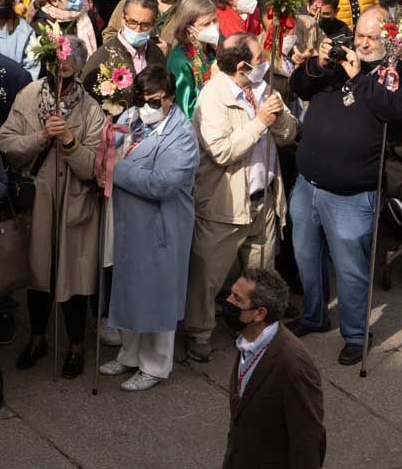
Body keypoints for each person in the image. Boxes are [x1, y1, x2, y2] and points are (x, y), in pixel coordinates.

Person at [290, 6, 402, 363]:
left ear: (389, 38)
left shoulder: (399, 74)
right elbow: (299, 85)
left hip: (352, 194)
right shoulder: (337, 61)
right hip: (308, 184)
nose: (362, 44)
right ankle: (314, 314)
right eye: (359, 35)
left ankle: (356, 334)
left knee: (350, 268)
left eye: (371, 38)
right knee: (305, 256)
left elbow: (399, 110)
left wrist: (360, 77)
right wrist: (317, 64)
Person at [184, 32, 298, 362]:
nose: (266, 63)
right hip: (225, 203)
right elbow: (221, 151)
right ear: (243, 66)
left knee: (260, 274)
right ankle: (198, 333)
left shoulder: (263, 87)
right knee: (208, 276)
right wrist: (261, 122)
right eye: (260, 59)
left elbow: (290, 131)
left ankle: (254, 328)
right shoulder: (212, 97)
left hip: (264, 201)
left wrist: (275, 121)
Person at [0, 35, 104, 379]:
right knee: (39, 277)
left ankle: (75, 346)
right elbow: (7, 145)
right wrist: (40, 137)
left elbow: (95, 168)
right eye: (58, 60)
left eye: (70, 62)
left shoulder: (91, 109)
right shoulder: (28, 97)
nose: (63, 67)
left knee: (72, 280)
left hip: (74, 208)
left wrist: (70, 143)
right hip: (38, 206)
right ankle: (38, 338)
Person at [100, 65, 200, 391]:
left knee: (157, 295)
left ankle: (155, 365)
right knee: (129, 289)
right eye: (142, 100)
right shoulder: (133, 115)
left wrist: (116, 169)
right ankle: (129, 355)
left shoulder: (182, 136)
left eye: (155, 102)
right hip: (130, 224)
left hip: (161, 228)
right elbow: (114, 140)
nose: (147, 108)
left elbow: (162, 184)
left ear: (171, 100)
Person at [219, 268, 327, 469]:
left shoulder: (293, 365)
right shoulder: (247, 340)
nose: (228, 302)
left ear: (260, 314)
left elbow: (307, 439)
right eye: (231, 293)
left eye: (237, 299)